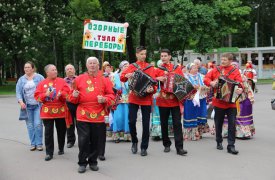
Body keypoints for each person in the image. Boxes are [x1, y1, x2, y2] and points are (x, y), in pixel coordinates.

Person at [68, 57, 115, 173]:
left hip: (99, 114)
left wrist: (104, 99)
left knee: (96, 140)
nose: (92, 65)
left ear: (98, 65)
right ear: (86, 65)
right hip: (83, 113)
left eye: (94, 63)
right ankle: (82, 162)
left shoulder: (105, 80)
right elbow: (71, 98)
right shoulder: (78, 79)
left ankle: (93, 161)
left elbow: (112, 96)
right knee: (83, 140)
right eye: (90, 63)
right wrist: (74, 95)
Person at [204, 53, 243, 155]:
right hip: (219, 102)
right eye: (222, 59)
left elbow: (240, 83)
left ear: (230, 61)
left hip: (231, 104)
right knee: (218, 123)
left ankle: (231, 145)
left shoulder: (235, 71)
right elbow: (206, 78)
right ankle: (219, 141)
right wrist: (211, 83)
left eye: (225, 60)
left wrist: (240, 89)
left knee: (232, 124)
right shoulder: (216, 70)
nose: (222, 61)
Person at [120, 46, 155, 156]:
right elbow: (122, 77)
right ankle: (134, 141)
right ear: (137, 54)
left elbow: (153, 84)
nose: (143, 56)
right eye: (141, 54)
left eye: (145, 54)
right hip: (133, 98)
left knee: (146, 124)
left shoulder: (150, 67)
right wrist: (127, 75)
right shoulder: (132, 66)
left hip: (146, 99)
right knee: (131, 121)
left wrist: (151, 89)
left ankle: (144, 147)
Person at [155, 49, 187, 155]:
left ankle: (179, 147)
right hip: (163, 100)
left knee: (177, 123)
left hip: (175, 100)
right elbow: (152, 81)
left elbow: (182, 81)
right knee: (164, 123)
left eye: (165, 56)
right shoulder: (158, 69)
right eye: (162, 56)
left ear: (169, 57)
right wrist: (157, 79)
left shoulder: (177, 68)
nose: (163, 57)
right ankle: (166, 144)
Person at [34, 64, 70, 161]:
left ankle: (61, 148)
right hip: (47, 112)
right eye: (52, 70)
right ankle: (49, 153)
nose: (55, 71)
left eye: (55, 69)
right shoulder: (42, 83)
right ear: (47, 72)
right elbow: (37, 97)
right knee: (48, 133)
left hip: (60, 110)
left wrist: (61, 94)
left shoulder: (62, 81)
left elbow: (68, 93)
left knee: (61, 131)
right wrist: (45, 94)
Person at [16, 61, 44, 151]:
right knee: (30, 125)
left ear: (32, 68)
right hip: (27, 106)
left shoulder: (39, 77)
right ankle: (33, 144)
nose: (26, 69)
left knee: (38, 124)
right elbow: (18, 92)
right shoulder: (21, 79)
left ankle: (39, 144)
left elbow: (45, 87)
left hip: (38, 105)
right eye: (25, 67)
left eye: (28, 67)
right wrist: (21, 102)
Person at [183, 63, 209, 141]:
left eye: (196, 68)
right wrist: (192, 87)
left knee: (201, 114)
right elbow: (184, 88)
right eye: (193, 68)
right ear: (189, 69)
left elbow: (206, 85)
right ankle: (190, 134)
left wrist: (203, 87)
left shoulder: (201, 76)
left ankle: (199, 132)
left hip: (201, 98)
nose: (196, 69)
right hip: (191, 99)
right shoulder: (185, 77)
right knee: (191, 115)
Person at [151, 60, 174, 141]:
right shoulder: (156, 71)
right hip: (158, 95)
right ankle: (157, 133)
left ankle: (167, 132)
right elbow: (151, 79)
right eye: (160, 65)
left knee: (167, 115)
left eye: (163, 65)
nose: (162, 66)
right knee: (157, 114)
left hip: (167, 96)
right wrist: (158, 79)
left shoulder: (170, 71)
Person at [111, 60, 131, 143]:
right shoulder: (115, 76)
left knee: (127, 117)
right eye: (125, 66)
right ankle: (116, 136)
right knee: (118, 117)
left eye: (128, 66)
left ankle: (127, 136)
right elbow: (111, 88)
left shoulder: (130, 76)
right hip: (118, 99)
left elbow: (132, 88)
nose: (126, 67)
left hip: (127, 99)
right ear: (121, 67)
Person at [64, 64, 77, 148]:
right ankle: (70, 141)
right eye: (68, 69)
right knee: (69, 123)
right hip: (68, 104)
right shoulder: (62, 81)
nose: (69, 70)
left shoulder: (79, 79)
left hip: (79, 103)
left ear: (74, 70)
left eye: (71, 69)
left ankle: (83, 140)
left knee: (81, 124)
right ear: (65, 71)